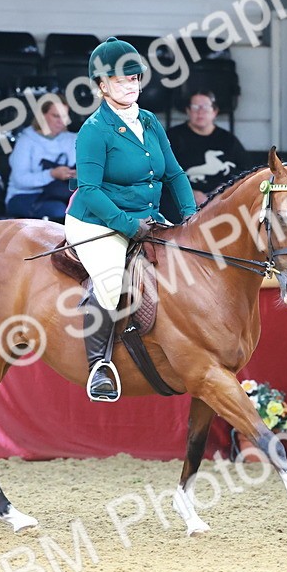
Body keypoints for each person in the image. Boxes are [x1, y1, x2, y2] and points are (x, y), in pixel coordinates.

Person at [65, 37, 198, 402]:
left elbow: (174, 174)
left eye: (136, 79)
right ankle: (99, 367)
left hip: (147, 216)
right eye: (123, 80)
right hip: (98, 220)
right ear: (102, 86)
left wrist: (191, 218)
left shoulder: (149, 121)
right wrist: (126, 225)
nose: (131, 86)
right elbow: (89, 190)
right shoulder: (94, 130)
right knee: (110, 284)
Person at [165, 90, 248, 212]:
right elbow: (162, 174)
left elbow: (246, 172)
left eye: (206, 107)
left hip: (223, 203)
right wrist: (189, 193)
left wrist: (226, 189)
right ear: (188, 111)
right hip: (183, 205)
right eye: (195, 107)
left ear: (215, 112)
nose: (200, 112)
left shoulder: (228, 140)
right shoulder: (172, 138)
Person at [5, 98, 77, 220]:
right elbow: (20, 180)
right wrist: (52, 174)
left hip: (63, 194)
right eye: (56, 116)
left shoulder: (74, 139)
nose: (61, 121)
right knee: (58, 210)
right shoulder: (26, 141)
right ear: (42, 116)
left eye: (64, 116)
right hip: (25, 196)